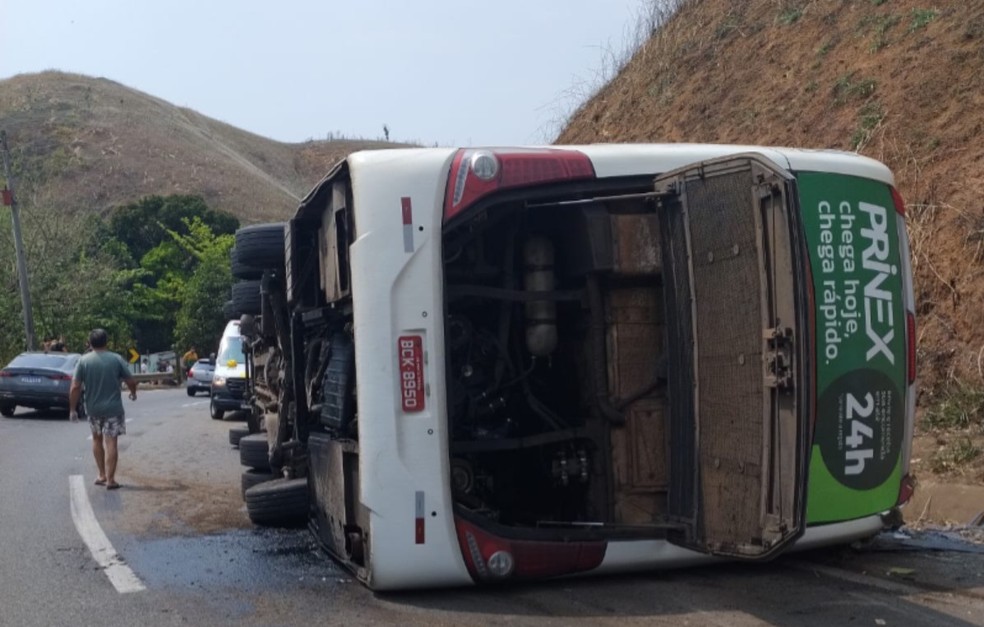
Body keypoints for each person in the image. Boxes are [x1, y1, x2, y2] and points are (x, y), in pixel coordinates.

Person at [69, 328, 138, 490]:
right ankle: (111, 480)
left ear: (90, 343)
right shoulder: (116, 359)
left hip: (93, 409)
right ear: (106, 342)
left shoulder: (83, 361)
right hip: (113, 409)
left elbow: (75, 387)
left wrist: (72, 409)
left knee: (96, 439)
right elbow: (130, 380)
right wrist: (133, 393)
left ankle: (101, 474)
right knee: (111, 442)